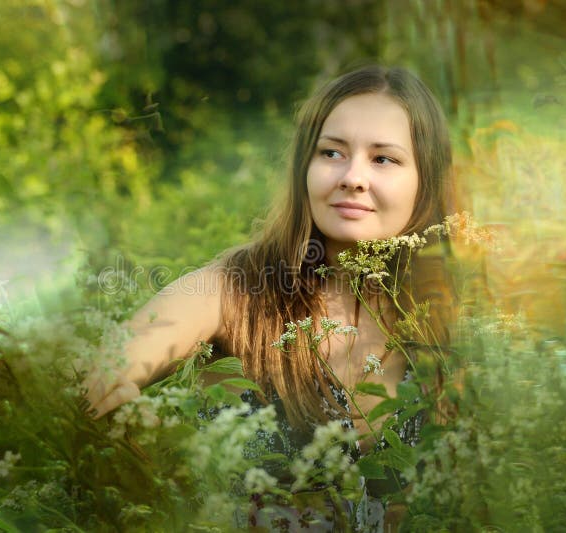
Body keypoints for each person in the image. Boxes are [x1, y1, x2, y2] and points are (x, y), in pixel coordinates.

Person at [84, 64, 455, 530]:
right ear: (306, 166)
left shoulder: (444, 319)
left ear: (425, 178)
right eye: (332, 153)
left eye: (384, 159)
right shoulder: (238, 287)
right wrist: (157, 446)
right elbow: (99, 370)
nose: (353, 177)